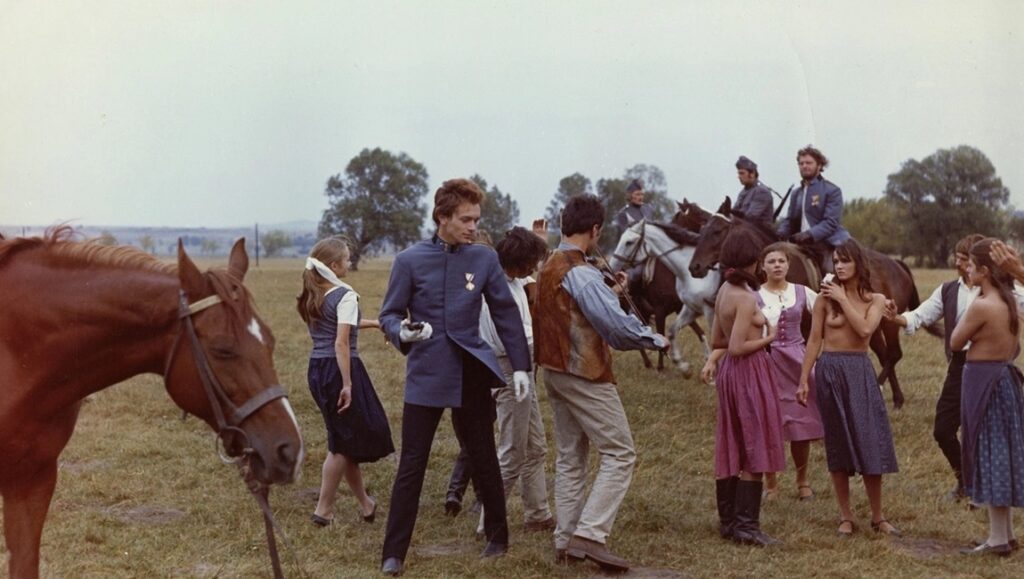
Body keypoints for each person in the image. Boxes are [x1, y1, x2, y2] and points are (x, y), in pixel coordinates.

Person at [378, 178, 532, 576]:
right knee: (412, 463)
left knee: (483, 456)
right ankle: (393, 553)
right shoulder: (409, 260)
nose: (472, 227)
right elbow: (389, 315)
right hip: (426, 374)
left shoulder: (483, 259)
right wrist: (402, 332)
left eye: (476, 219)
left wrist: (519, 367)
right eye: (465, 219)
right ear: (441, 217)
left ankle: (498, 536)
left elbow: (506, 314)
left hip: (471, 374)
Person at [534, 194, 669, 572]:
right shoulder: (582, 273)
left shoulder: (549, 265)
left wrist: (607, 292)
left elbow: (575, 310)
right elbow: (614, 328)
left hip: (554, 372)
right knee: (620, 453)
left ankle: (565, 540)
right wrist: (654, 339)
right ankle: (590, 535)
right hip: (585, 373)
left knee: (571, 456)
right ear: (596, 230)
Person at [797, 239, 899, 538]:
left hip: (859, 370)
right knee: (837, 443)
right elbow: (814, 340)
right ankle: (846, 516)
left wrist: (842, 298)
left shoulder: (875, 299)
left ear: (858, 264)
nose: (839, 266)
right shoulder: (822, 300)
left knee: (870, 441)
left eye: (845, 261)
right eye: (836, 261)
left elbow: (865, 330)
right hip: (829, 370)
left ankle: (878, 516)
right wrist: (804, 379)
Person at [296, 237, 394, 527]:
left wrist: (374, 323)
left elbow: (338, 325)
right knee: (341, 443)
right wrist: (348, 384)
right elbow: (341, 342)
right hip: (340, 369)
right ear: (335, 266)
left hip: (317, 368)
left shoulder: (315, 295)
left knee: (346, 438)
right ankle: (323, 510)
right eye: (347, 260)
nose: (350, 263)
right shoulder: (346, 296)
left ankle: (365, 503)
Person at [465, 226, 555, 535]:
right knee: (512, 449)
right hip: (509, 368)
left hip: (522, 367)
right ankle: (488, 521)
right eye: (531, 262)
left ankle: (538, 513)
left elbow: (534, 281)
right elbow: (503, 340)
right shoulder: (495, 289)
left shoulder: (515, 281)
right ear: (517, 261)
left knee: (536, 446)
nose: (533, 268)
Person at [699, 230, 786, 547]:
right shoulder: (746, 297)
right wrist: (769, 337)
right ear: (750, 261)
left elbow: (716, 342)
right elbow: (736, 347)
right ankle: (747, 527)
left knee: (733, 439)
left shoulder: (724, 290)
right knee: (754, 442)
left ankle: (729, 521)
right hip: (748, 371)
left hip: (729, 375)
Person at [883, 234, 986, 501]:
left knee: (984, 430)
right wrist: (896, 318)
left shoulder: (998, 288)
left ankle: (987, 488)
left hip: (991, 367)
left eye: (964, 259)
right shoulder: (948, 290)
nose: (958, 263)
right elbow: (920, 314)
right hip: (960, 366)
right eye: (958, 257)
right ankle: (965, 480)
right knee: (943, 429)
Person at [952, 238, 1024, 557]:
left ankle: (997, 540)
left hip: (984, 382)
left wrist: (971, 306)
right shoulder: (1011, 302)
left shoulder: (981, 305)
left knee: (990, 452)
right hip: (1005, 380)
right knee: (1003, 452)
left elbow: (955, 341)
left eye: (970, 265)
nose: (965, 270)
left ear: (983, 271)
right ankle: (1005, 534)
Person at [755, 243, 823, 501]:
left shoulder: (802, 291)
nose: (777, 265)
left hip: (797, 358)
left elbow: (825, 313)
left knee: (800, 421)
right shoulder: (755, 295)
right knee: (768, 421)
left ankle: (802, 480)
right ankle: (770, 483)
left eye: (781, 261)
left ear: (788, 265)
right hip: (767, 360)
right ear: (763, 267)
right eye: (771, 261)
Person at [776, 145, 850, 274]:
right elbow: (789, 220)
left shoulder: (832, 190)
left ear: (820, 165)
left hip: (827, 243)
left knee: (831, 272)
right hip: (800, 244)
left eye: (809, 163)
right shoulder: (796, 193)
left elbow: (830, 222)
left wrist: (809, 235)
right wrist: (780, 233)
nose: (804, 166)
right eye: (801, 163)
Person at [731, 156, 774, 227]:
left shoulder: (762, 192)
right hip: (744, 231)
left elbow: (750, 217)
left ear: (752, 174)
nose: (739, 176)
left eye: (742, 173)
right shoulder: (743, 192)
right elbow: (734, 212)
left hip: (759, 234)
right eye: (738, 173)